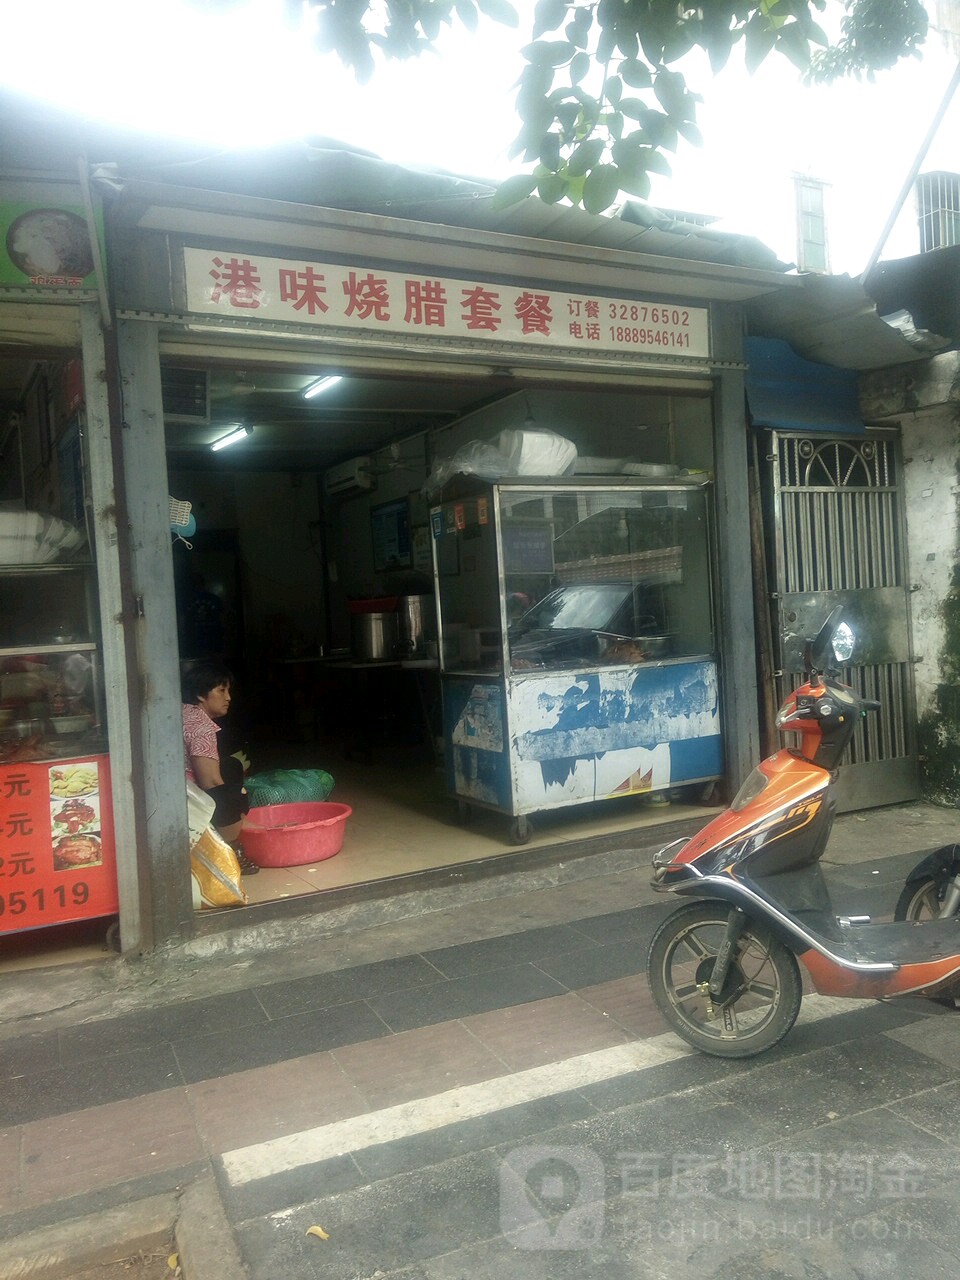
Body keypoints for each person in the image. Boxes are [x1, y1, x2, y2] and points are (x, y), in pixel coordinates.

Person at [181, 660, 259, 875]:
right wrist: (238, 809)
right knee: (231, 792)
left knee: (231, 766)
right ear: (201, 695)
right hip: (185, 800)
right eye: (221, 691)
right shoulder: (201, 727)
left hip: (172, 788)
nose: (228, 698)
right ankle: (230, 849)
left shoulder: (184, 712)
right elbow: (211, 783)